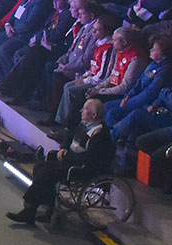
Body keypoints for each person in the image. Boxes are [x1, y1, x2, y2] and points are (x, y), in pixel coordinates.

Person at [7, 97, 113, 228]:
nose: (81, 111)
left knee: (46, 173)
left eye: (85, 109)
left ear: (93, 115)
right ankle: (46, 207)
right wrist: (63, 148)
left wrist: (68, 157)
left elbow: (91, 157)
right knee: (39, 167)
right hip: (70, 160)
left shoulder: (100, 133)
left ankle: (29, 209)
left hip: (81, 167)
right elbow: (69, 138)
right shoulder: (83, 125)